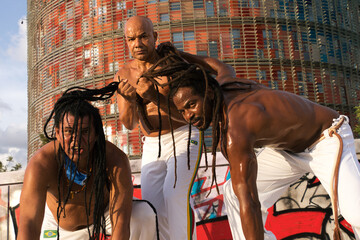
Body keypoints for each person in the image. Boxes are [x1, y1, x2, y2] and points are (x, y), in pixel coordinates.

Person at [154, 61, 360, 240]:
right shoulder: (224, 85)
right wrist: (180, 55)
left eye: (192, 105)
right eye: (183, 111)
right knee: (233, 194)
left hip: (326, 138)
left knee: (355, 212)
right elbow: (220, 66)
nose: (189, 115)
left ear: (208, 94)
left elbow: (250, 200)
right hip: (287, 151)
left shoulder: (236, 129)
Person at [114, 15, 233, 240]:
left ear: (154, 37)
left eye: (143, 37)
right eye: (131, 39)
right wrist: (129, 100)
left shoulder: (173, 63)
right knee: (153, 207)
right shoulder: (123, 74)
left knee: (175, 194)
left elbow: (190, 115)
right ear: (126, 42)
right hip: (151, 144)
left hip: (183, 136)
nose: (138, 44)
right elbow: (129, 124)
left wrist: (153, 97)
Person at [18, 85, 157, 240]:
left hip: (104, 217)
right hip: (59, 226)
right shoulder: (41, 164)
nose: (76, 141)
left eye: (84, 132)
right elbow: (28, 224)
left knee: (143, 215)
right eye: (69, 132)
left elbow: (121, 223)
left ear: (96, 133)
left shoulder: (114, 159)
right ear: (57, 133)